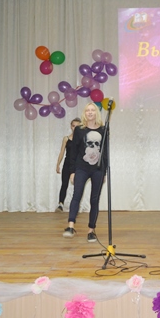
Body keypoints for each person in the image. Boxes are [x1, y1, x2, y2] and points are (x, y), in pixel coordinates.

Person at [62, 103, 108, 243]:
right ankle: (70, 226)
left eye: (93, 110)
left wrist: (104, 171)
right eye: (87, 110)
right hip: (81, 168)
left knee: (94, 199)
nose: (90, 112)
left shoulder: (103, 130)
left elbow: (105, 152)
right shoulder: (79, 130)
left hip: (98, 169)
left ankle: (91, 230)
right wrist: (72, 171)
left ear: (96, 113)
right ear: (84, 113)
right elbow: (73, 152)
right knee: (77, 195)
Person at [55, 117, 82, 212]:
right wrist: (58, 164)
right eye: (73, 126)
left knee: (78, 186)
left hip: (78, 165)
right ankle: (60, 204)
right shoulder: (66, 139)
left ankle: (75, 205)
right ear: (71, 126)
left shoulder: (82, 139)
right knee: (64, 184)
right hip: (67, 164)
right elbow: (62, 152)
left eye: (77, 126)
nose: (75, 128)